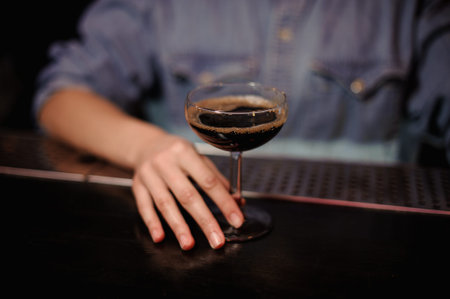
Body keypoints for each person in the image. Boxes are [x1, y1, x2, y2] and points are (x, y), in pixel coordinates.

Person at [33, 0, 450, 250]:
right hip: (188, 235)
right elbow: (59, 96)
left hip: (365, 239)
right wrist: (144, 147)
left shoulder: (410, 9)